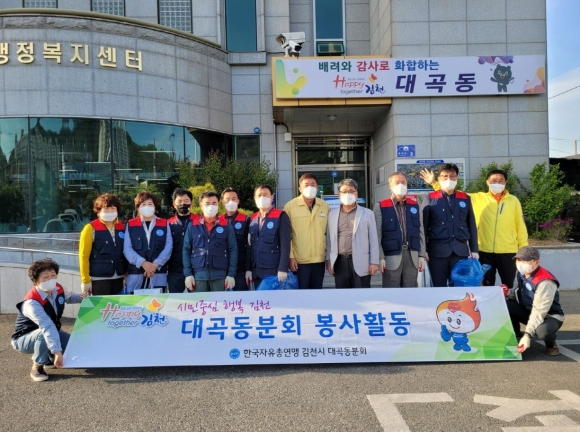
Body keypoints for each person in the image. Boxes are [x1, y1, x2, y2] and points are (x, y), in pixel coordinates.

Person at [421, 168, 528, 288]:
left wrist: (523, 250)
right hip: (484, 250)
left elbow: (520, 226)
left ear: (505, 182)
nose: (497, 183)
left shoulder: (513, 201)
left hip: (508, 250)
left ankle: (506, 299)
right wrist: (434, 183)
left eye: (500, 181)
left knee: (508, 284)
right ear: (487, 182)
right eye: (493, 181)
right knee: (485, 285)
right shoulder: (477, 198)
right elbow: (450, 194)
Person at [11, 258, 87, 382]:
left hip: (52, 330)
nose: (50, 279)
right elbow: (47, 326)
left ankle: (49, 357)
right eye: (45, 277)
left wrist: (82, 297)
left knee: (74, 347)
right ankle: (37, 366)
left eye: (53, 275)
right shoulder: (32, 302)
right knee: (43, 334)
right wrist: (57, 352)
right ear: (36, 281)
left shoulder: (58, 288)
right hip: (24, 339)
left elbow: (69, 296)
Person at [422, 163, 479, 287]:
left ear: (457, 178)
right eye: (445, 176)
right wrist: (423, 250)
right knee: (438, 287)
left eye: (452, 176)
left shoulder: (465, 198)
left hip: (460, 251)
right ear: (439, 178)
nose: (449, 179)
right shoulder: (430, 198)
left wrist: (474, 249)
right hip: (437, 252)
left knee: (459, 288)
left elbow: (471, 224)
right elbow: (423, 227)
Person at [507, 246, 564, 356]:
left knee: (543, 332)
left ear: (537, 262)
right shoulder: (520, 273)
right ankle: (516, 334)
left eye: (525, 261)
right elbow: (515, 293)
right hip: (528, 310)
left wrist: (527, 335)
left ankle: (551, 344)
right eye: (519, 260)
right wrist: (506, 292)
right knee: (505, 305)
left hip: (548, 316)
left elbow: (539, 311)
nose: (521, 263)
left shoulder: (545, 281)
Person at [374, 172, 427, 287]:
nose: (400, 185)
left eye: (403, 182)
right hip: (391, 255)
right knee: (391, 290)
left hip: (412, 255)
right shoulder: (381, 206)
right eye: (397, 182)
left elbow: (421, 231)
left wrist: (422, 255)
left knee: (410, 289)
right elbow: (377, 234)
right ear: (390, 186)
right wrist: (380, 257)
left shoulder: (415, 205)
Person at [326, 178, 379, 288]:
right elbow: (329, 241)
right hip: (340, 262)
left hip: (362, 262)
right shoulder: (332, 215)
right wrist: (329, 261)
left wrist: (374, 262)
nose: (348, 194)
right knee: (342, 295)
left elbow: (373, 240)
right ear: (339, 195)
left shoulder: (368, 213)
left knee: (362, 294)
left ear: (356, 194)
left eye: (351, 191)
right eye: (344, 191)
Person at [183, 191, 238, 292]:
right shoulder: (193, 225)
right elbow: (186, 250)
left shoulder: (226, 225)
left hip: (220, 276)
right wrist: (188, 274)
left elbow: (233, 249)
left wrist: (231, 274)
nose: (211, 206)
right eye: (207, 204)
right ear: (201, 205)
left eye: (214, 203)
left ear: (218, 205)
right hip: (198, 276)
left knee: (220, 302)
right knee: (199, 302)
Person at [283, 173, 330, 289]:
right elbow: (286, 235)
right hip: (299, 260)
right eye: (306, 185)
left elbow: (329, 234)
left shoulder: (325, 206)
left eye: (313, 185)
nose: (310, 187)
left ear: (317, 187)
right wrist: (290, 256)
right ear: (300, 188)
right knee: (300, 293)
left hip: (319, 259)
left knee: (316, 293)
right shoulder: (290, 207)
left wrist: (329, 257)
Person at [123, 191, 173, 293]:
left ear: (155, 207)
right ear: (138, 208)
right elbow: (127, 249)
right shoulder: (131, 224)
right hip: (136, 274)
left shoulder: (164, 223)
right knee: (135, 302)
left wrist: (155, 265)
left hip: (158, 273)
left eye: (150, 204)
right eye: (143, 204)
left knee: (158, 302)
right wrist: (143, 263)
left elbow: (168, 246)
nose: (147, 207)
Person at [78, 193, 127, 296]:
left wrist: (127, 275)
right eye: (106, 209)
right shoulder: (90, 228)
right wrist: (85, 280)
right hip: (99, 279)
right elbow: (83, 256)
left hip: (119, 277)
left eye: (113, 208)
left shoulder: (122, 227)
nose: (110, 212)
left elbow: (126, 253)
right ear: (99, 211)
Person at [247, 184, 291, 289]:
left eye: (265, 195)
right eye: (259, 195)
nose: (262, 198)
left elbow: (285, 244)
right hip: (256, 271)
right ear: (254, 198)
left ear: (272, 197)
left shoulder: (281, 216)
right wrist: (248, 269)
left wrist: (283, 268)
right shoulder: (253, 218)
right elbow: (250, 246)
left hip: (273, 271)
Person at [221, 187, 251, 290]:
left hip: (240, 269)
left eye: (233, 199)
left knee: (241, 298)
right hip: (221, 269)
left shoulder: (246, 220)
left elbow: (250, 246)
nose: (231, 201)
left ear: (238, 201)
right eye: (227, 199)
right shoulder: (218, 220)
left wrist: (248, 269)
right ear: (223, 202)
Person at [167, 188, 194, 293]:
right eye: (179, 201)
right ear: (174, 204)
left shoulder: (199, 221)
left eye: (186, 201)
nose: (183, 204)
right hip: (175, 271)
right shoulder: (168, 224)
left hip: (195, 271)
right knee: (175, 301)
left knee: (197, 300)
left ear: (191, 203)